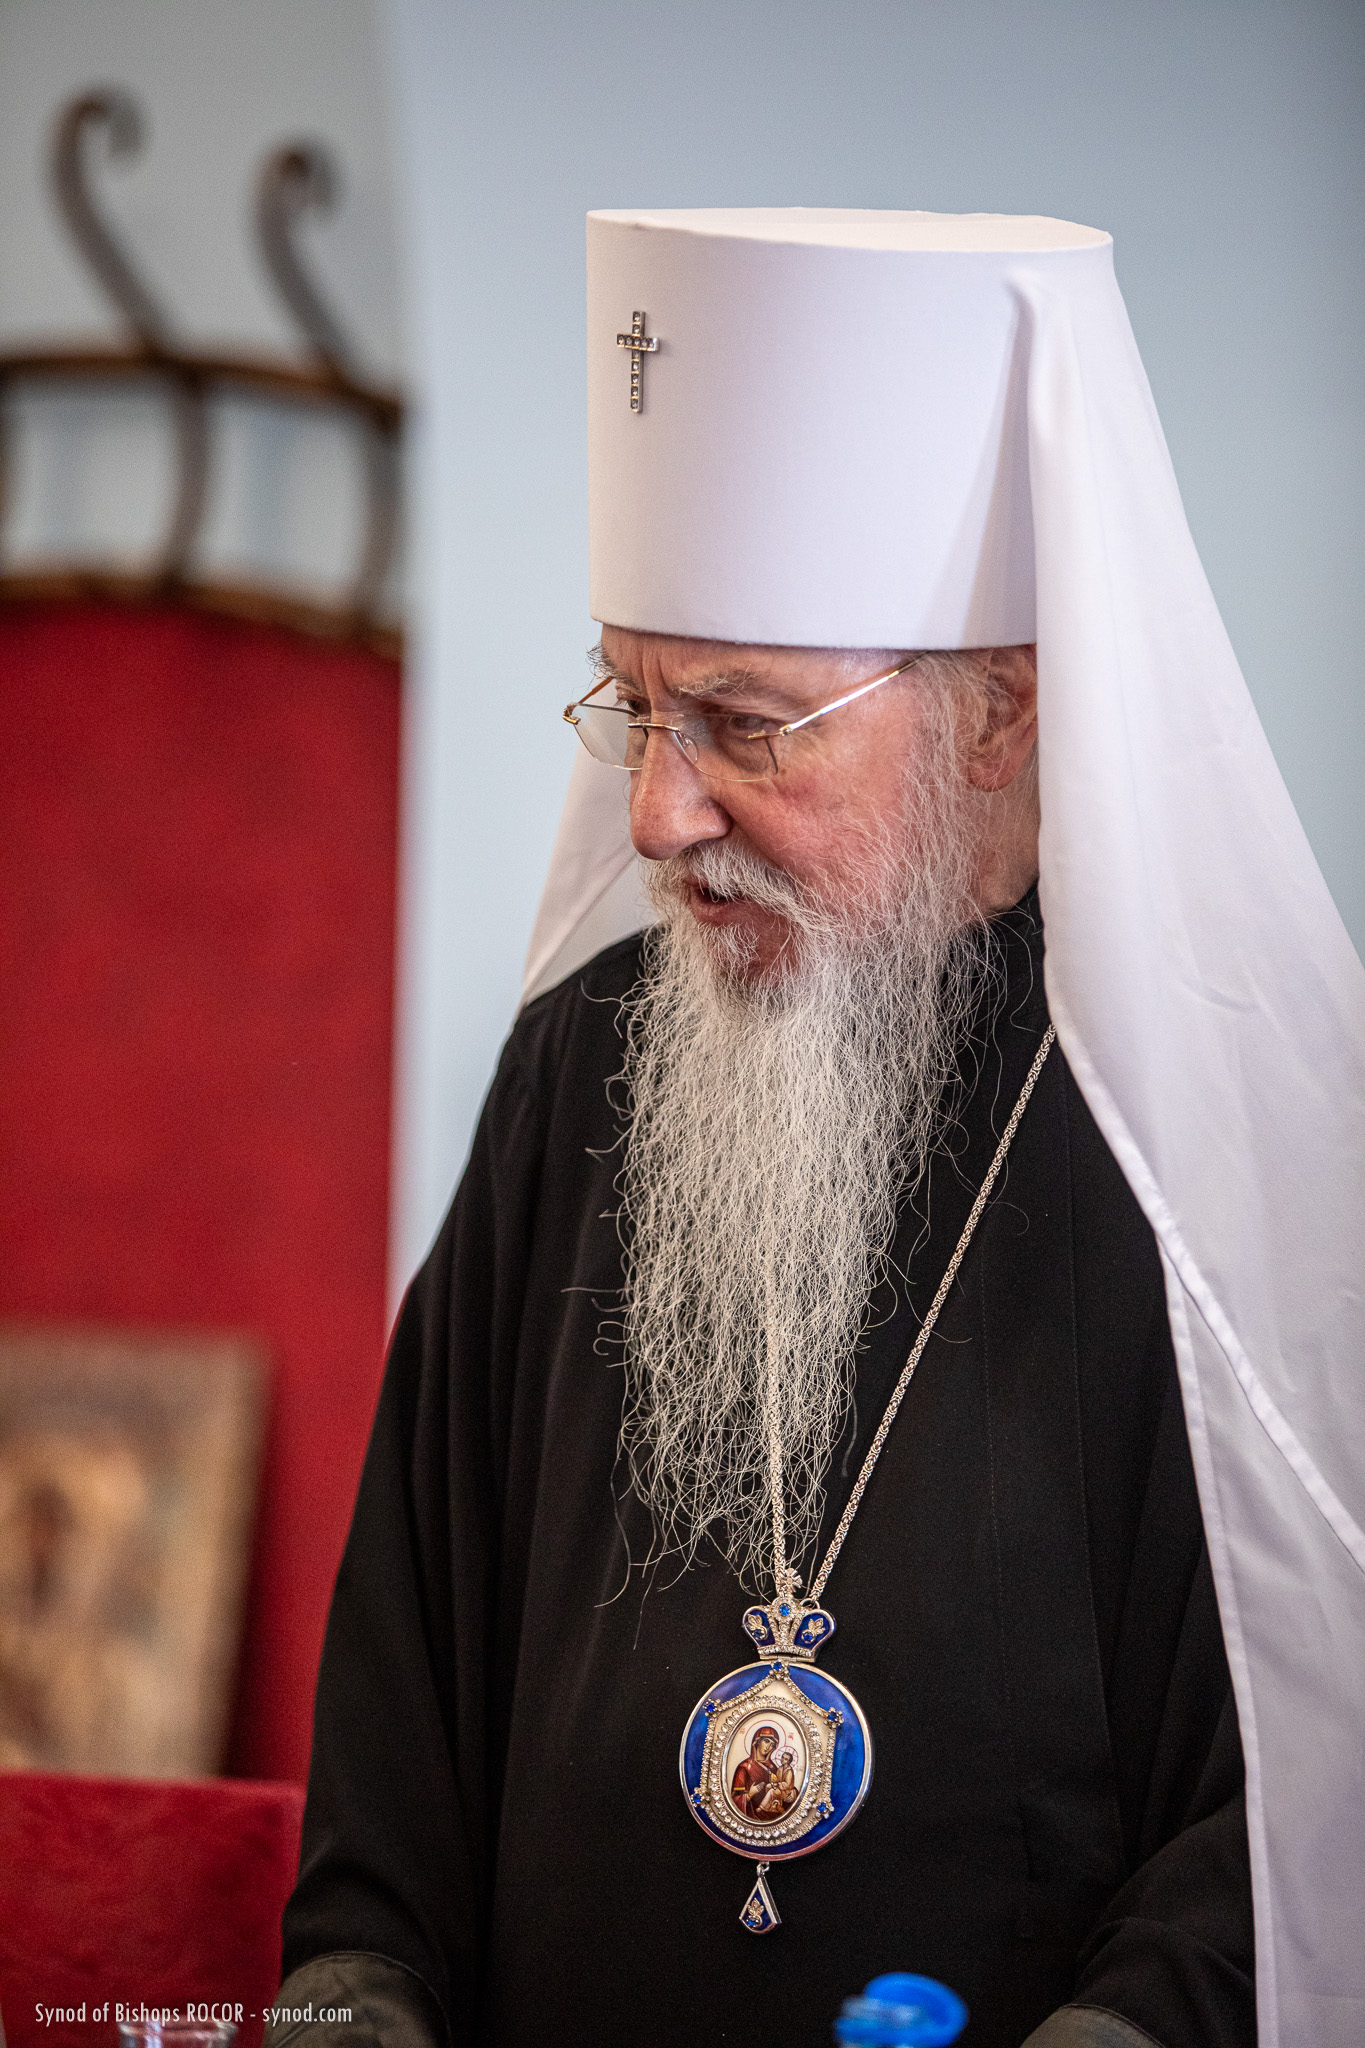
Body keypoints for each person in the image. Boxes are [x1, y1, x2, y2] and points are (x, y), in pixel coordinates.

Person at [270, 212, 1364, 2048]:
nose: (654, 812)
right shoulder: (578, 1077)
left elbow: (1289, 1813)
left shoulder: (1215, 1156)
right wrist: (356, 1991)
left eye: (744, 726)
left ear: (999, 716)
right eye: (635, 704)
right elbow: (404, 1702)